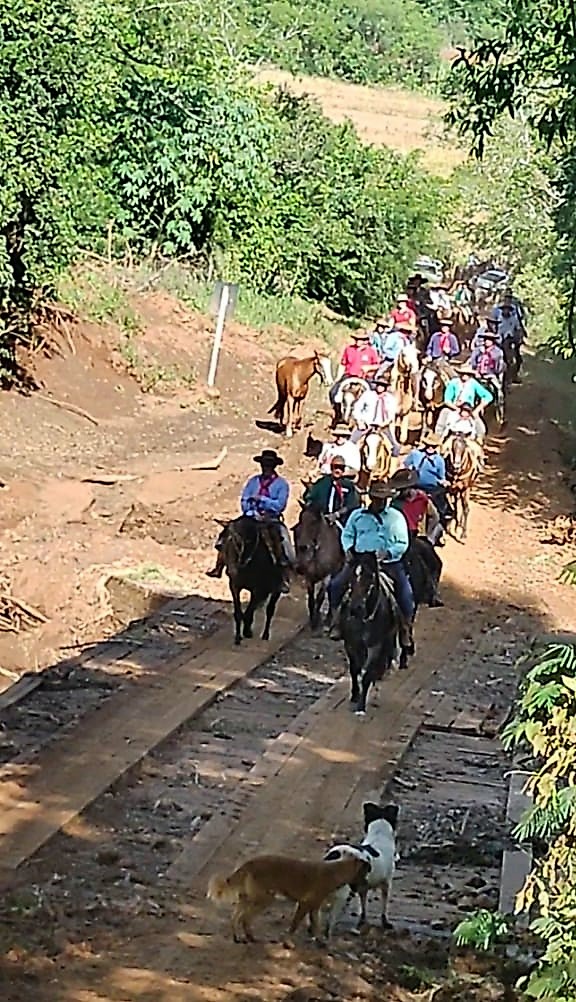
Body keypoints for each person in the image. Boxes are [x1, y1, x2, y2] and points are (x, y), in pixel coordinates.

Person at [329, 481, 414, 639]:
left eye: (382, 499)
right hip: (360, 560)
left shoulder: (396, 517)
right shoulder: (357, 515)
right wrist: (348, 549)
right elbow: (347, 534)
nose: (379, 502)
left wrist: (388, 553)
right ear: (371, 498)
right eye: (376, 498)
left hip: (388, 563)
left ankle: (405, 628)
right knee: (336, 585)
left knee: (405, 593)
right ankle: (336, 621)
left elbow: (402, 542)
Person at [207, 449, 293, 592]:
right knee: (229, 531)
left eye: (269, 465)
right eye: (264, 464)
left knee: (283, 541)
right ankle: (220, 565)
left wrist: (263, 500)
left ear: (274, 466)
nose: (266, 467)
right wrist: (250, 511)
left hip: (270, 519)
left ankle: (284, 575)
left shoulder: (282, 484)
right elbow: (244, 500)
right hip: (251, 517)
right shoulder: (253, 481)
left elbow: (280, 505)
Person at [389, 468, 444, 606]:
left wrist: (429, 536)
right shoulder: (395, 503)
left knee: (435, 563)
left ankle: (432, 592)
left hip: (416, 537)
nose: (402, 491)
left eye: (404, 488)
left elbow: (434, 516)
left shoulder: (422, 499)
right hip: (400, 537)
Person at [404, 431, 451, 525]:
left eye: (433, 446)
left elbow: (442, 477)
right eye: (429, 445)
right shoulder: (415, 454)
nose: (430, 448)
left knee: (437, 515)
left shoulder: (439, 460)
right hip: (414, 487)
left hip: (432, 490)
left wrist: (444, 482)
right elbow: (405, 465)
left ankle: (435, 534)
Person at [435, 364, 493, 441]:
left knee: (480, 428)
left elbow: (488, 396)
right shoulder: (453, 383)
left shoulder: (473, 383)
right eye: (463, 373)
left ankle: (479, 440)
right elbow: (447, 399)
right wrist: (455, 408)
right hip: (454, 408)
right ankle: (438, 438)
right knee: (443, 415)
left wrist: (477, 409)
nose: (465, 375)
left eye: (467, 374)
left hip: (469, 409)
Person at [351, 374, 400, 458]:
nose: (379, 387)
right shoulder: (368, 395)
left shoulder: (390, 399)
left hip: (382, 426)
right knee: (351, 443)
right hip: (366, 425)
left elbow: (392, 414)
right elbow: (357, 408)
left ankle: (392, 466)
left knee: (395, 447)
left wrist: (385, 423)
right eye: (378, 385)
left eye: (382, 386)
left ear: (385, 387)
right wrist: (359, 421)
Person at [329, 331, 380, 411]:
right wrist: (338, 378)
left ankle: (370, 415)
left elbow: (377, 365)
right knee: (333, 391)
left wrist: (369, 367)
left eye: (360, 339)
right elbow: (343, 364)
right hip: (349, 375)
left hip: (364, 377)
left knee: (373, 395)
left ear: (366, 341)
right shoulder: (349, 349)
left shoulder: (371, 351)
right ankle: (338, 412)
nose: (357, 341)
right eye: (356, 339)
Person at [303, 456, 361, 524]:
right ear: (331, 467)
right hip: (320, 518)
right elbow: (310, 497)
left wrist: (337, 514)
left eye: (341, 468)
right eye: (335, 467)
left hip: (341, 521)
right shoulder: (322, 482)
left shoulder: (348, 485)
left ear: (344, 470)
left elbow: (352, 504)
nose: (338, 470)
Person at [470, 333, 505, 410]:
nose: (487, 341)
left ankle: (500, 411)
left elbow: (499, 367)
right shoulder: (478, 350)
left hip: (490, 375)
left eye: (489, 340)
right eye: (485, 339)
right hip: (477, 374)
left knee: (498, 390)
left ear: (493, 341)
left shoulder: (498, 352)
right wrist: (475, 371)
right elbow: (473, 362)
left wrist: (494, 374)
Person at [491, 295, 524, 377]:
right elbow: (492, 324)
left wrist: (518, 337)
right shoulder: (498, 316)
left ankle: (514, 374)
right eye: (504, 309)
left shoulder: (514, 318)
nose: (506, 311)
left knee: (516, 357)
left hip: (510, 339)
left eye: (507, 310)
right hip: (499, 339)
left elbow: (518, 327)